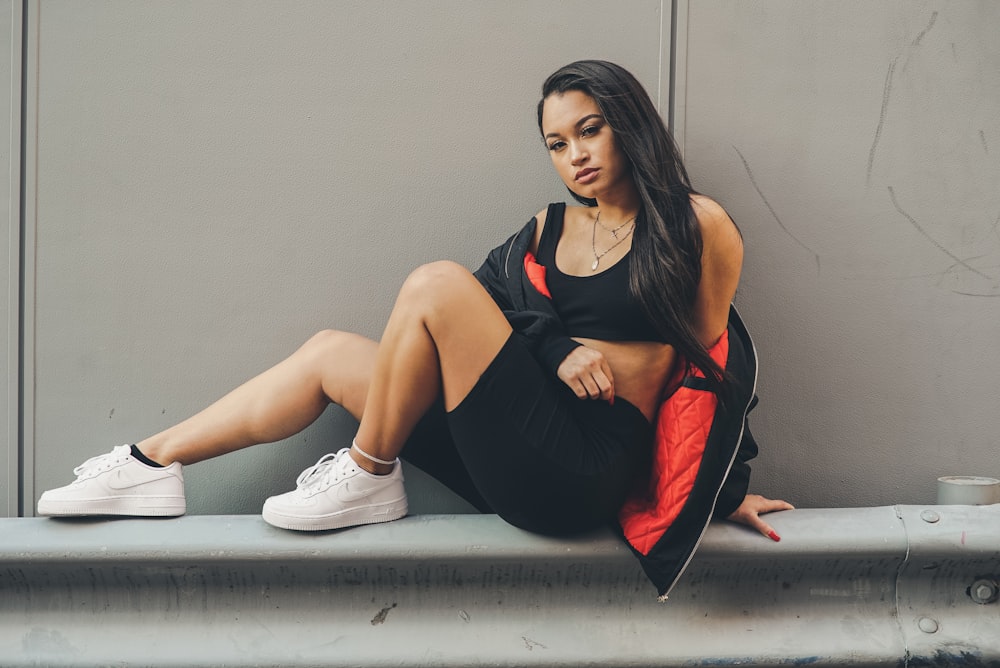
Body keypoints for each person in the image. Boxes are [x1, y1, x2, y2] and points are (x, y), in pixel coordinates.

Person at [38, 61, 791, 587]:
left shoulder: (698, 227)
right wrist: (557, 347)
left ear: (628, 124)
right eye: (557, 144)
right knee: (333, 352)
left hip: (580, 472)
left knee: (434, 283)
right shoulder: (546, 229)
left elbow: (711, 368)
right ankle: (148, 465)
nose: (575, 156)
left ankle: (368, 472)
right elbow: (490, 314)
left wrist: (725, 493)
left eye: (590, 131)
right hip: (515, 441)